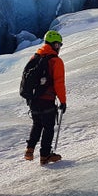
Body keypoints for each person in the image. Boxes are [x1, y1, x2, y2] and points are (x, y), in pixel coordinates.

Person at [23, 31, 67, 164]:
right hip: (47, 100)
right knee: (48, 127)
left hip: (33, 99)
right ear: (54, 44)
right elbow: (59, 83)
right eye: (58, 45)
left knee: (37, 124)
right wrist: (63, 101)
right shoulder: (55, 61)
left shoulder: (35, 58)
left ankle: (29, 150)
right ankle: (45, 155)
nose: (59, 47)